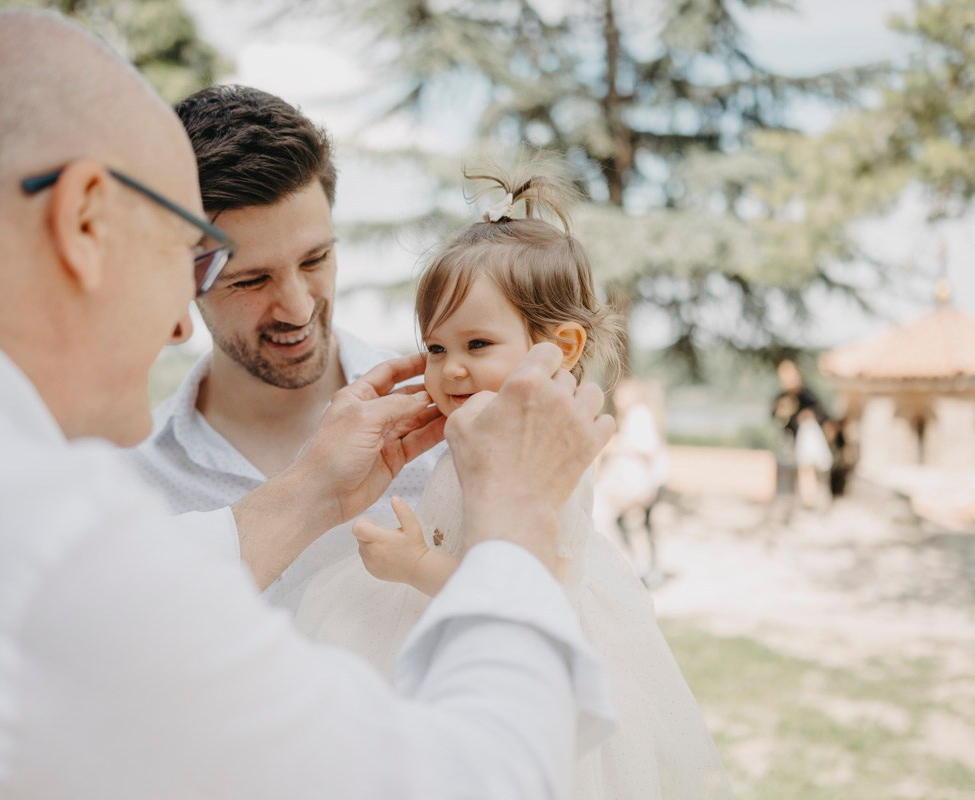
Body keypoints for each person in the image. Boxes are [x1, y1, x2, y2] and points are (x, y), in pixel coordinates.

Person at [0, 12, 622, 798]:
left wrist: (315, 493)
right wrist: (515, 521)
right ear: (83, 220)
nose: (181, 316)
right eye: (199, 264)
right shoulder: (25, 524)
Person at [295, 166, 733, 799]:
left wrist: (416, 563)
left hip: (518, 652)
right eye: (437, 348)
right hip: (447, 630)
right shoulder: (479, 427)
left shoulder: (544, 453)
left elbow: (528, 588)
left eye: (478, 343)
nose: (452, 370)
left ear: (561, 345)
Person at [132, 85, 439, 605]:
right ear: (182, 280)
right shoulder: (132, 479)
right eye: (250, 281)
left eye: (315, 260)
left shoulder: (445, 429)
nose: (297, 308)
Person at [594, 378, 669, 584]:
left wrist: (617, 445)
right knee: (645, 524)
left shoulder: (638, 414)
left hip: (649, 481)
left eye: (621, 394)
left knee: (637, 523)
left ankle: (643, 567)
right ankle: (645, 566)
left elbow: (645, 446)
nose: (617, 398)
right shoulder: (640, 414)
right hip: (651, 480)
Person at [771, 358, 831, 517]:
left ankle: (816, 503)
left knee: (814, 471)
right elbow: (775, 416)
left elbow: (822, 414)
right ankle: (791, 504)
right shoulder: (782, 397)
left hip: (810, 444)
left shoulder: (808, 395)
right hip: (790, 443)